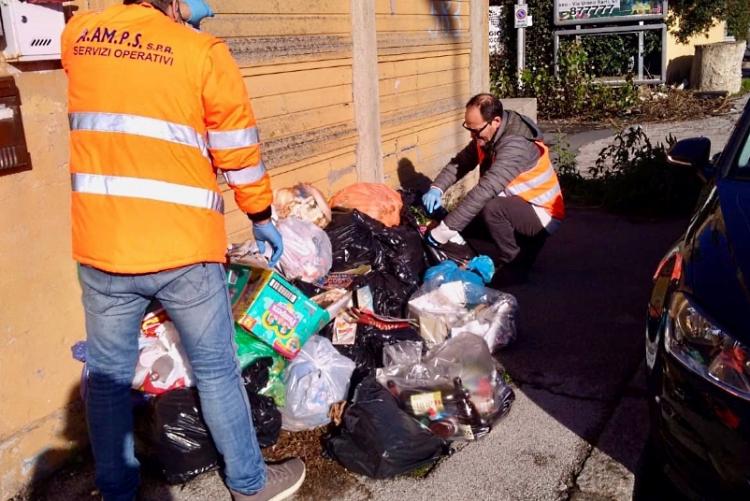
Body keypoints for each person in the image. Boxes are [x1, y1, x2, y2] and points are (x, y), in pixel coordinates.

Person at [60, 1, 305, 500]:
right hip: (183, 249)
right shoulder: (201, 52)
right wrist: (261, 216)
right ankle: (250, 484)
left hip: (104, 247)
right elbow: (238, 150)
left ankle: (117, 490)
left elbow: (120, 75)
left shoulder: (80, 35)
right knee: (215, 369)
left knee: (108, 379)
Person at [423, 93, 564, 276]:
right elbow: (461, 163)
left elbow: (486, 190)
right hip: (516, 203)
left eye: (476, 131)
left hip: (541, 213)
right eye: (469, 128)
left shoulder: (516, 146)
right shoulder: (488, 133)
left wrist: (443, 231)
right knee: (466, 224)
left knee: (490, 207)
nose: (473, 136)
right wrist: (436, 188)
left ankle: (515, 263)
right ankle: (515, 242)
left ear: (495, 121)